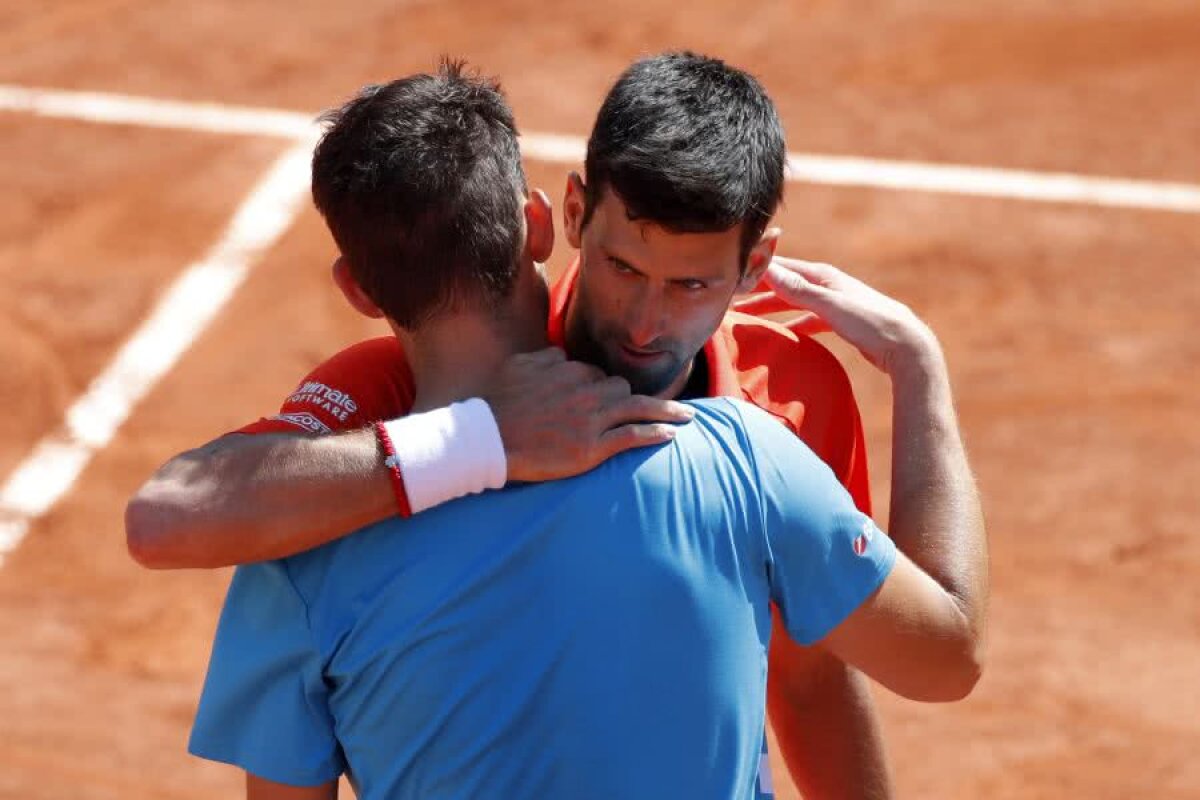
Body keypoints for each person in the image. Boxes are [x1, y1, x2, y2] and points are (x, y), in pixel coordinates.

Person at [128, 53, 985, 798]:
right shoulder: (392, 397)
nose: (645, 322)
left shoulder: (792, 398)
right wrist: (479, 439)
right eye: (622, 268)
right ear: (563, 218)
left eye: (690, 286)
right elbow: (172, 513)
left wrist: (919, 364)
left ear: (753, 265)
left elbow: (808, 674)